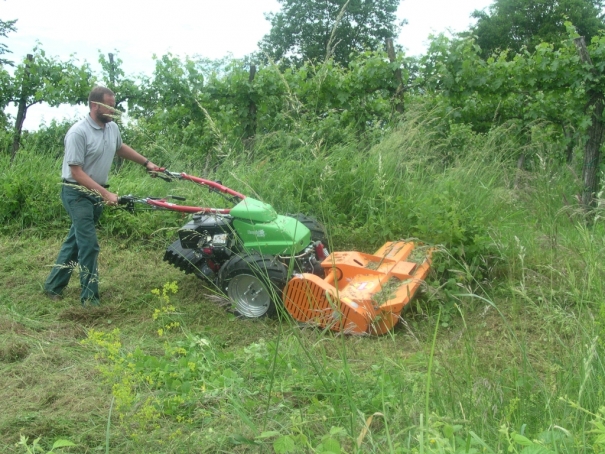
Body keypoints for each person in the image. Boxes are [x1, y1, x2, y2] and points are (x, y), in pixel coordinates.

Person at [44, 86, 159, 306]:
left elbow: (119, 147)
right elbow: (76, 172)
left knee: (76, 242)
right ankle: (89, 299)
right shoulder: (78, 133)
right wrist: (106, 193)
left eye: (114, 106)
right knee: (89, 244)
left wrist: (147, 163)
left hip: (95, 193)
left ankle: (53, 286)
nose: (113, 110)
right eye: (109, 106)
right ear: (95, 105)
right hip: (76, 193)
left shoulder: (111, 127)